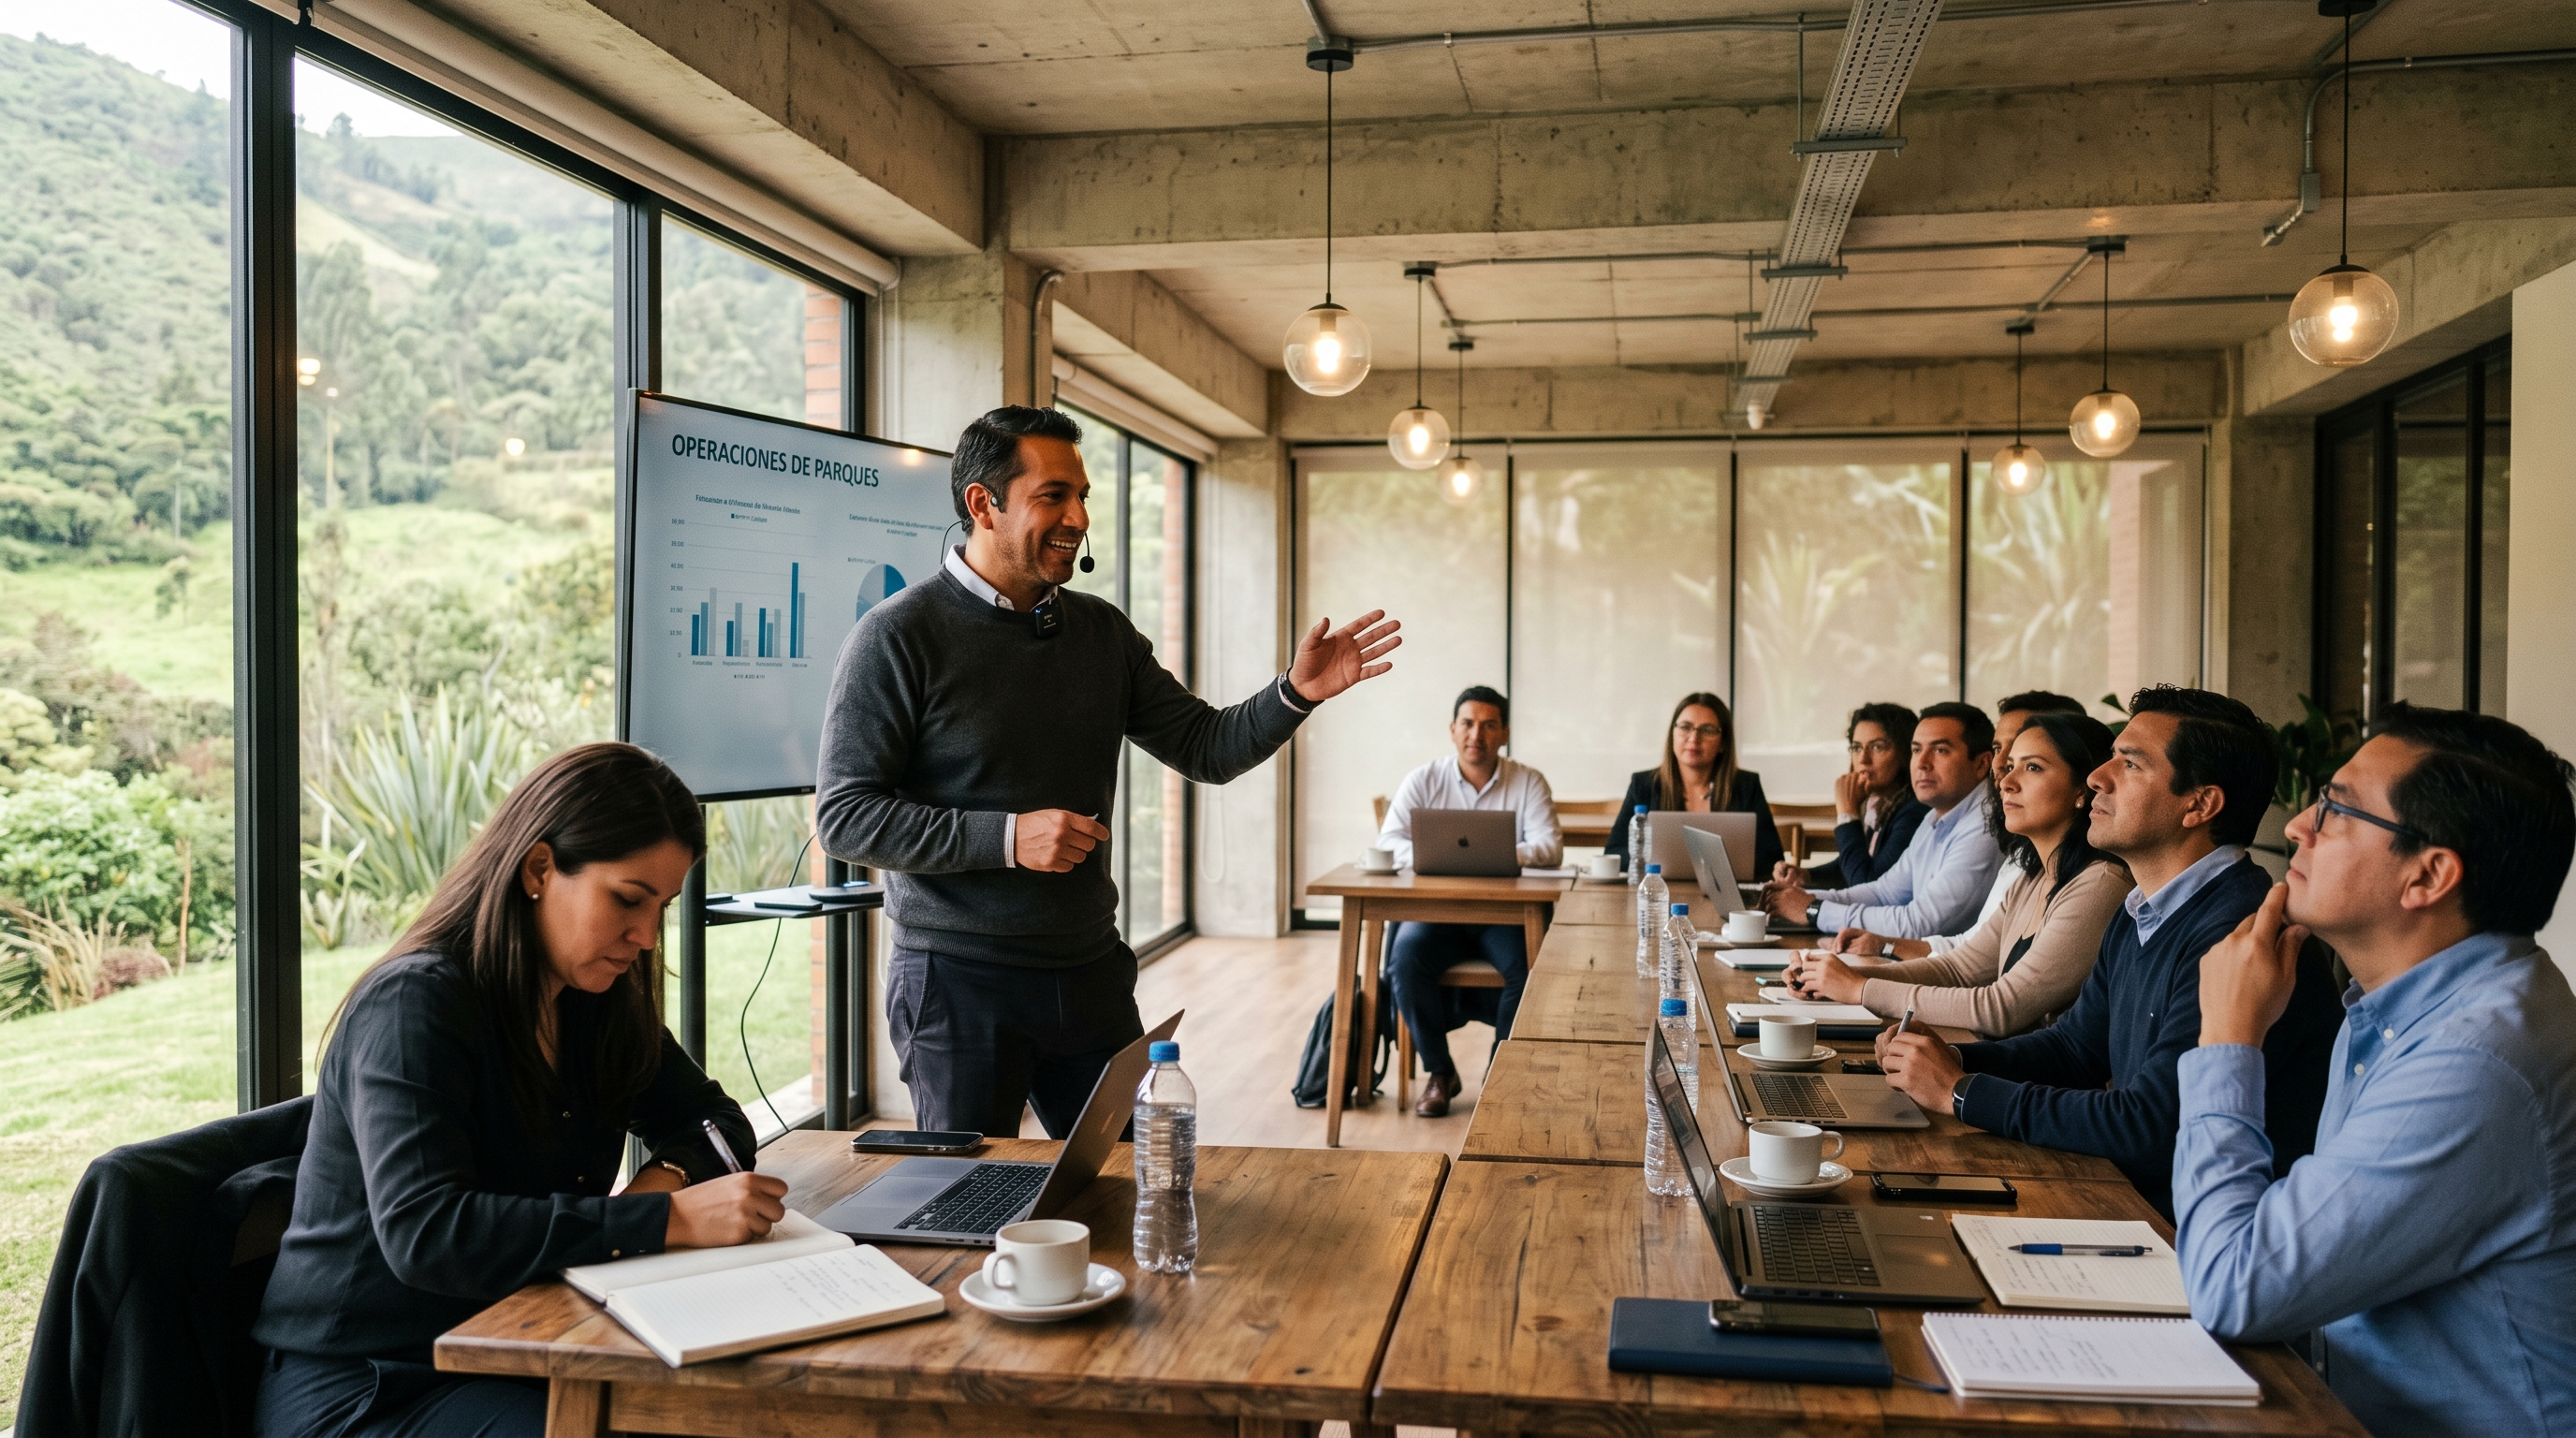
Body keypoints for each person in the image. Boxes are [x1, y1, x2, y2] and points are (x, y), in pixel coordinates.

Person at [817, 405, 1398, 1138]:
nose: (1078, 517)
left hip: (1088, 971)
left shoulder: (1101, 633)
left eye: (1083, 495)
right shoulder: (896, 636)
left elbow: (1207, 747)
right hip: (956, 983)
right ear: (981, 504)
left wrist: (1294, 693)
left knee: (1127, 1187)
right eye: (1053, 496)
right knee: (962, 1205)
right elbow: (844, 817)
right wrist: (1006, 837)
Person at [254, 744, 782, 1438]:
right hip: (369, 1386)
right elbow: (428, 1233)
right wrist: (669, 1222)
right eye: (627, 899)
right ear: (538, 869)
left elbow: (714, 1121)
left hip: (523, 1337)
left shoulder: (592, 998)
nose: (647, 937)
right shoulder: (415, 1005)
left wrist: (661, 1187)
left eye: (662, 907)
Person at [2175, 705, 2576, 1437]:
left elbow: (2236, 1288)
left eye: (2335, 809)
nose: (2298, 825)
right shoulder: (2401, 1004)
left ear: (2428, 875)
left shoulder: (2474, 1059)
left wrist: (2228, 1036)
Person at [1875, 687, 2342, 1216]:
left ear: (2200, 804)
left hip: (2191, 1237)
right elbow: (2074, 1050)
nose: (2098, 776)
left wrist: (1961, 1092)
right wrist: (1946, 1059)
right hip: (2133, 1200)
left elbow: (2149, 1126)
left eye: (2130, 763)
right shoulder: (2142, 908)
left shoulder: (2237, 931)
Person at [1784, 712, 2132, 1039]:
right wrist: (1835, 976)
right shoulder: (2032, 878)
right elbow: (1957, 970)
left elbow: (2002, 1007)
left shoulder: (2100, 882)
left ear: (2083, 789)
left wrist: (1858, 989)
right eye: (2010, 766)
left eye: (2033, 768)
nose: (2006, 782)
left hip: (2047, 1092)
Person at [1376, 686, 1562, 1117]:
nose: (1476, 734)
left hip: (1504, 918)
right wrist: (1431, 855)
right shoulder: (1424, 779)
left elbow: (1550, 847)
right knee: (1404, 958)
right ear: (1452, 729)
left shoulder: (1527, 781)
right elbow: (1387, 842)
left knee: (1528, 966)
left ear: (1504, 733)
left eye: (1488, 724)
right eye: (1467, 723)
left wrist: (1495, 853)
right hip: (1436, 913)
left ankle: (1502, 1070)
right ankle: (1440, 1073)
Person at [1825, 690, 2089, 956]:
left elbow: (1998, 984)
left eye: (2031, 763)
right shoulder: (2017, 854)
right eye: (1999, 749)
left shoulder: (1986, 827)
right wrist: (1883, 947)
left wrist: (1814, 912)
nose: (2002, 767)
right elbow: (1970, 951)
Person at [1764, 701, 2003, 940]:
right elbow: (1883, 892)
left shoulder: (1984, 825)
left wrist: (1812, 909)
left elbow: (1918, 924)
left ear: (1982, 764)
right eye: (1917, 750)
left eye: (1940, 750)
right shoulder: (1935, 816)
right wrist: (1801, 899)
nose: (1922, 763)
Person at [1603, 692, 1783, 878]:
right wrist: (1655, 860)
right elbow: (1614, 853)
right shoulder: (1644, 785)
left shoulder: (1746, 786)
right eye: (1685, 727)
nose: (1694, 738)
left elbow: (1772, 859)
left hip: (1727, 897)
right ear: (1672, 734)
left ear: (1723, 743)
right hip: (1660, 893)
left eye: (1707, 730)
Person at [1795, 702, 1924, 889]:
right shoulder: (1877, 805)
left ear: (1905, 754)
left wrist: (1847, 815)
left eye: (1877, 747)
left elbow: (1865, 885)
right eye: (1856, 748)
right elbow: (1855, 865)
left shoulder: (1913, 812)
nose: (1863, 759)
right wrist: (1805, 875)